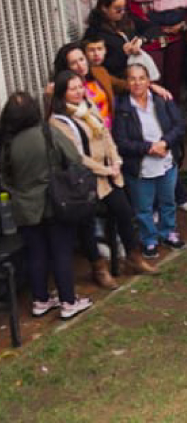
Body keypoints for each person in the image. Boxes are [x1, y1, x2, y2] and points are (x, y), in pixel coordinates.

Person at [47, 72, 147, 286]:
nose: (78, 92)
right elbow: (76, 155)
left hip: (110, 174)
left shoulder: (89, 106)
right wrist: (103, 169)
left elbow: (105, 134)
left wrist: (116, 160)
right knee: (87, 226)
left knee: (125, 212)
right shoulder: (59, 121)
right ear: (62, 93)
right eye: (72, 89)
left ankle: (133, 256)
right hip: (84, 180)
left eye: (79, 87)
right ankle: (98, 267)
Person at [1, 92, 94, 319]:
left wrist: (18, 193)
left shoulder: (7, 144)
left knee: (36, 254)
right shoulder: (47, 132)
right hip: (55, 202)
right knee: (61, 252)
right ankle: (68, 302)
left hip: (25, 208)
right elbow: (74, 157)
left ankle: (40, 300)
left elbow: (4, 179)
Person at [114, 64, 186, 262]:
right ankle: (149, 239)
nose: (137, 83)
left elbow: (179, 126)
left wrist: (164, 143)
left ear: (149, 81)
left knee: (168, 201)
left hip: (166, 161)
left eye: (141, 78)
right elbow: (121, 142)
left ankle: (168, 232)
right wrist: (149, 148)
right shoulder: (122, 108)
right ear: (127, 82)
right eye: (132, 79)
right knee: (143, 207)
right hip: (140, 167)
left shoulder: (161, 100)